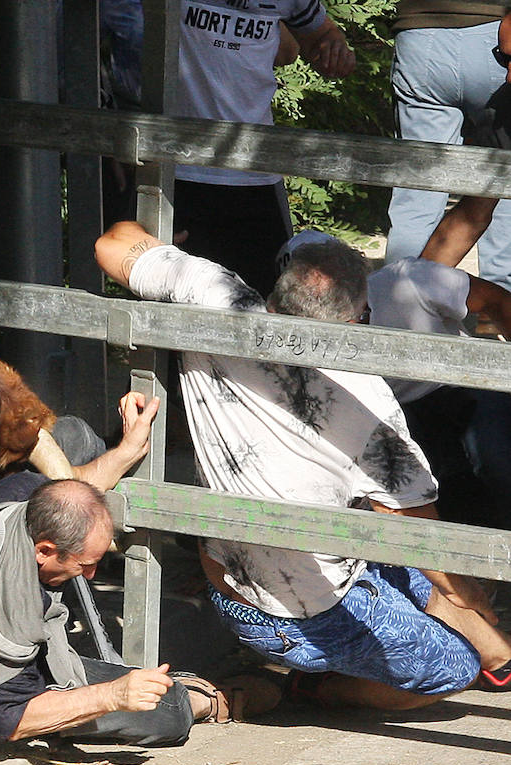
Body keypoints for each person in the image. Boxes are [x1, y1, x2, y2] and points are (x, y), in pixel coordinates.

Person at [95, 220, 511, 709]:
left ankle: (501, 658)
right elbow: (420, 535)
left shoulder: (213, 295)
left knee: (424, 585)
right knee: (453, 668)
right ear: (358, 316)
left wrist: (167, 252)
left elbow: (113, 241)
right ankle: (301, 687)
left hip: (228, 578)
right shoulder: (368, 401)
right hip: (297, 616)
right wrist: (472, 594)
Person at [0, 392, 271, 764]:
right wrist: (114, 695)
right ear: (44, 551)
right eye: (86, 564)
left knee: (73, 437)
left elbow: (69, 482)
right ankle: (205, 700)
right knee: (163, 712)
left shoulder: (19, 500)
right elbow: (18, 719)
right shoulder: (6, 620)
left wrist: (126, 448)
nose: (94, 576)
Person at [277, 224, 511, 530]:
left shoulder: (406, 280)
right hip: (396, 413)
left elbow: (498, 301)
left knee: (496, 457)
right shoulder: (295, 336)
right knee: (421, 482)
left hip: (462, 385)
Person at [171, 0, 354, 293]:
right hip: (179, 170)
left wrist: (334, 50)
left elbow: (321, 37)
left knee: (267, 303)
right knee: (173, 306)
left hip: (256, 172)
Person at [387, 2, 511, 289]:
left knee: (417, 190)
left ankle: (395, 298)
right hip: (493, 28)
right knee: (501, 181)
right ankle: (498, 304)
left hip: (419, 33)